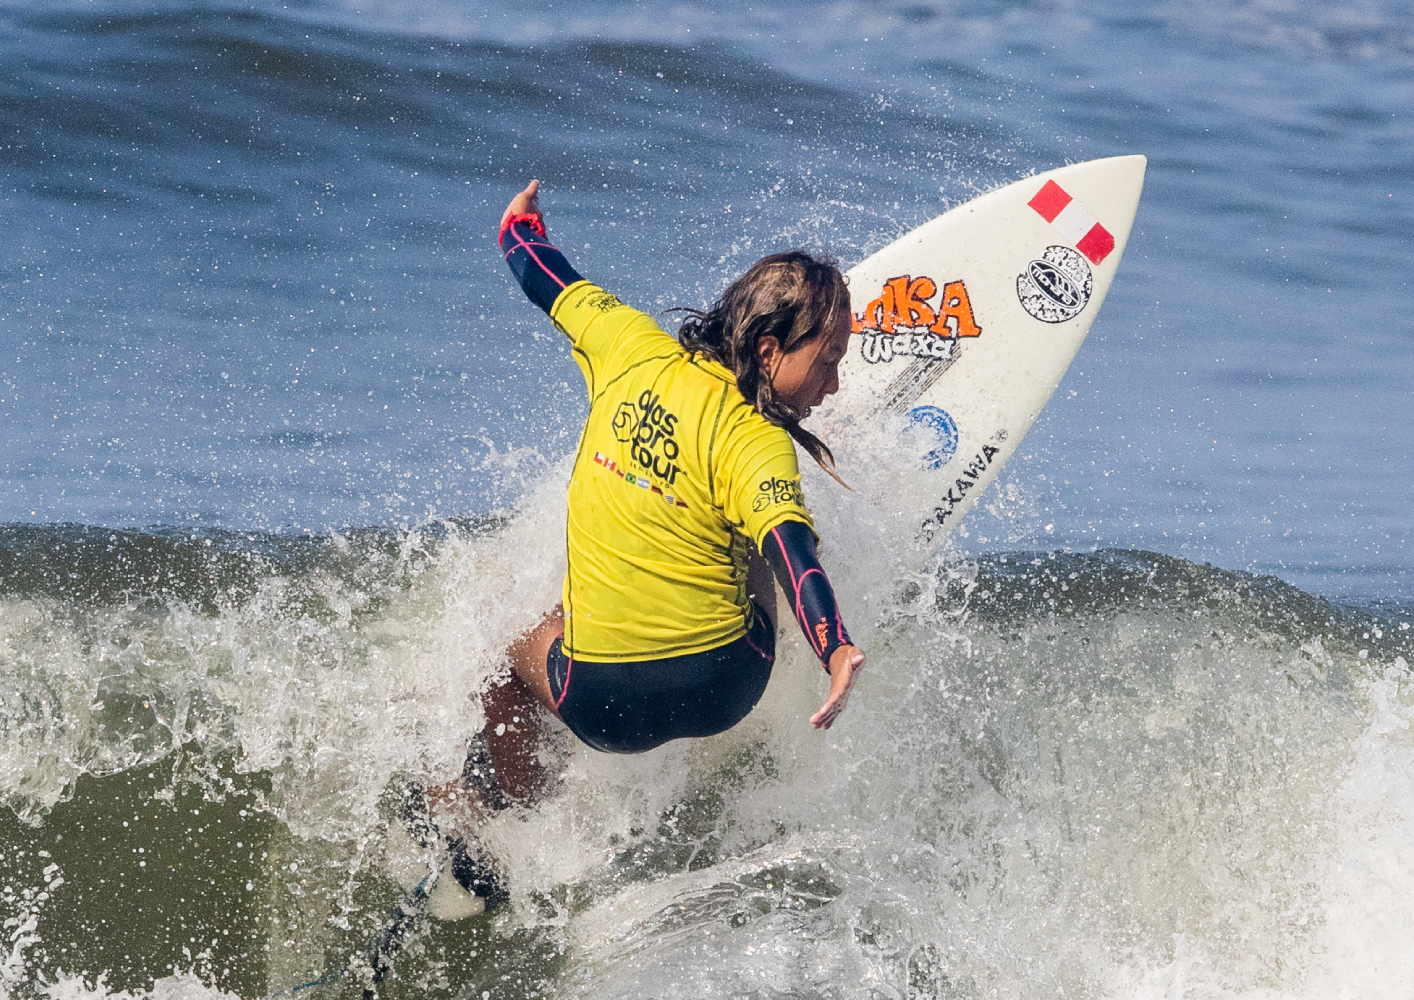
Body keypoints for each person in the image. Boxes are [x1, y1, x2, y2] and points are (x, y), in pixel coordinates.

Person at [411, 179, 865, 909]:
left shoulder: (624, 344)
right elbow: (792, 551)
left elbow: (548, 279)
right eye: (829, 361)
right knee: (751, 519)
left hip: (596, 703)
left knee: (509, 658)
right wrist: (835, 646)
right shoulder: (757, 443)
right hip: (723, 685)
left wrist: (517, 229)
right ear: (770, 349)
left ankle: (511, 834)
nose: (836, 383)